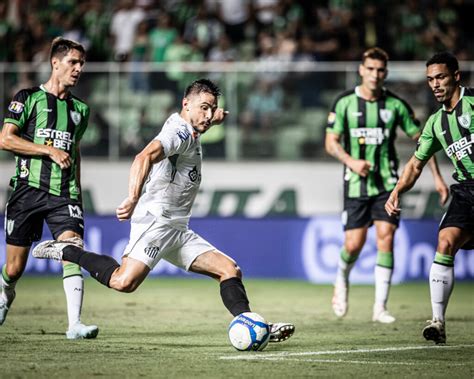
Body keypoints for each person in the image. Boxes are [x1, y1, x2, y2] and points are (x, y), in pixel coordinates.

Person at [32, 79, 295, 343]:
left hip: (178, 228)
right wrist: (133, 197)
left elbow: (202, 120)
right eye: (203, 107)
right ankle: (67, 250)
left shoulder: (192, 128)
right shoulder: (178, 133)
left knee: (229, 270)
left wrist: (213, 118)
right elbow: (143, 157)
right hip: (155, 223)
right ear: (185, 104)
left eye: (211, 108)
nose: (207, 114)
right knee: (124, 282)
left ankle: (254, 325)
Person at [325, 47, 449, 323]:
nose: (375, 74)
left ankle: (380, 307)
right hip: (356, 184)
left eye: (380, 70)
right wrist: (352, 161)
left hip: (387, 184)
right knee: (354, 244)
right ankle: (341, 279)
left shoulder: (395, 105)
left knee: (387, 237)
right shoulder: (344, 102)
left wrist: (439, 179)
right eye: (370, 69)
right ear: (361, 70)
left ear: (386, 73)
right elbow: (330, 142)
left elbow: (424, 142)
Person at [0, 37, 98, 339]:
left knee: (72, 248)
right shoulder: (27, 98)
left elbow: (75, 151)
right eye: (73, 62)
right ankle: (4, 294)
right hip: (26, 191)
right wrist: (48, 150)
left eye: (81, 64)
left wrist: (77, 191)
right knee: (15, 269)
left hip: (63, 194)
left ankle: (74, 324)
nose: (78, 69)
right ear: (55, 63)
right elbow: (6, 139)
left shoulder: (80, 109)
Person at [385, 52, 473, 343]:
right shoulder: (436, 123)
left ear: (456, 76)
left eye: (441, 77)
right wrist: (398, 190)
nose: (435, 84)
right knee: (445, 242)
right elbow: (415, 164)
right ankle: (438, 322)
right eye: (430, 80)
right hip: (465, 191)